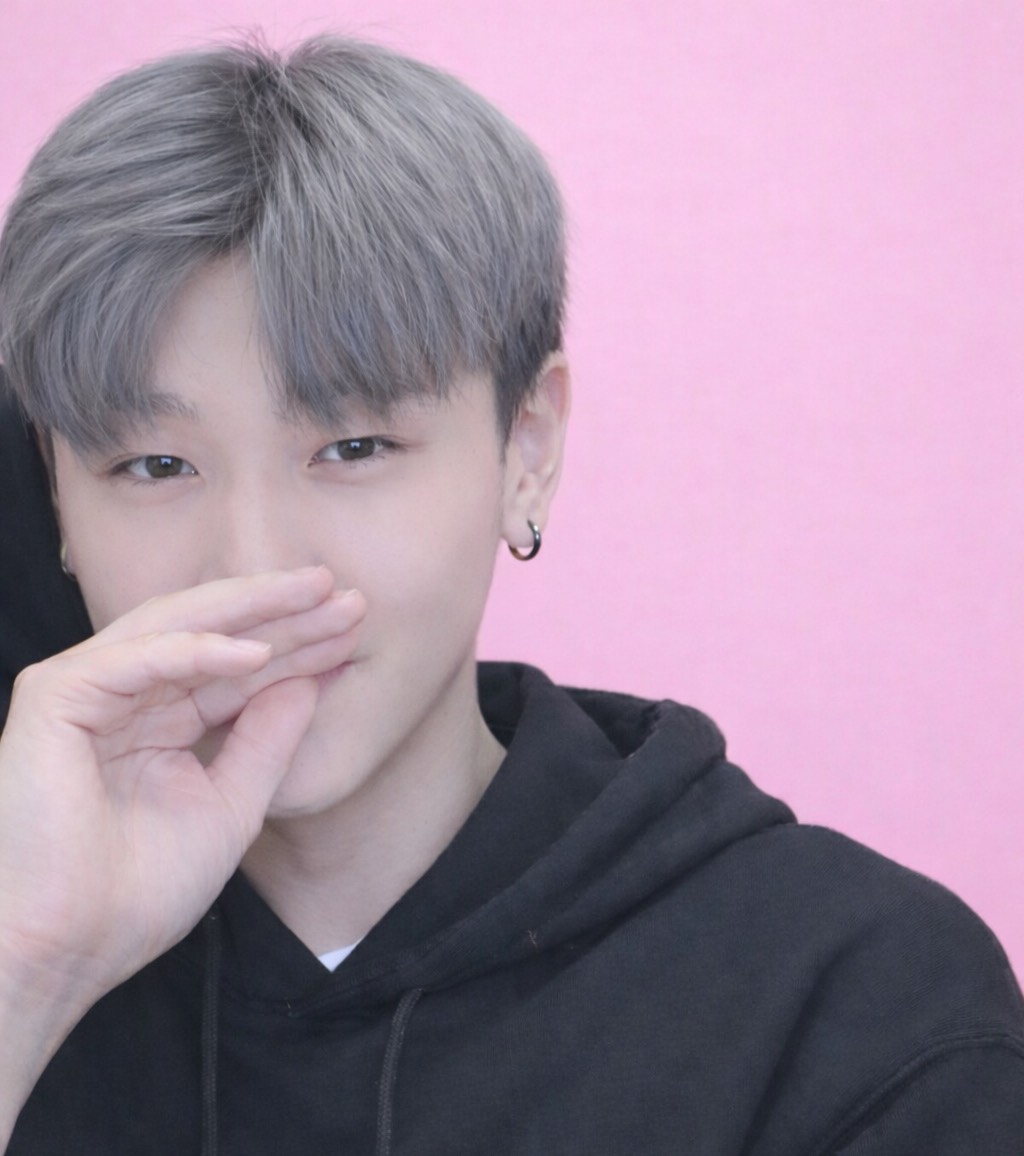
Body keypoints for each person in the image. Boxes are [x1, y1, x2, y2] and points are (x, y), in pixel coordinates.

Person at [0, 35, 1021, 1155]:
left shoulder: (859, 1009)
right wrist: (28, 971)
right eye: (153, 466)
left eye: (354, 447)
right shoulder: (24, 952)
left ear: (525, 449)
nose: (253, 569)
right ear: (54, 492)